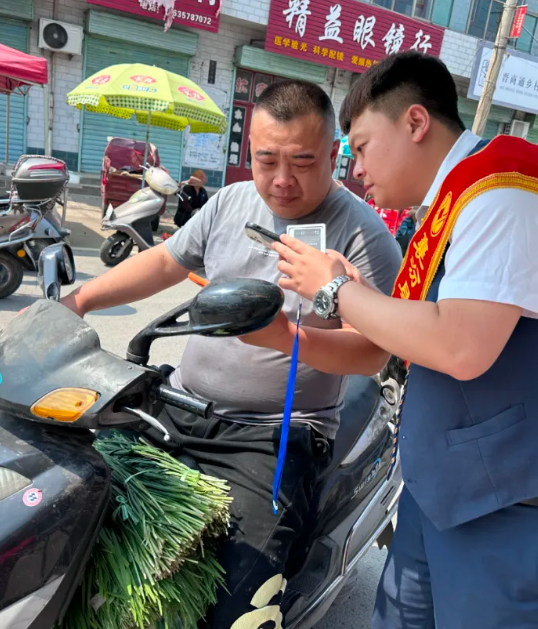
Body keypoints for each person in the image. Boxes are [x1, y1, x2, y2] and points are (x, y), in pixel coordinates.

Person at [271, 52, 538, 629]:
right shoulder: (453, 205)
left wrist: (335, 293)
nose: (357, 169)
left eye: (362, 147)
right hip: (452, 492)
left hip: (516, 507)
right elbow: (419, 333)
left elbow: (460, 346)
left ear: (416, 123)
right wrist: (346, 291)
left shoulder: (506, 185)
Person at [55, 80, 402, 628]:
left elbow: (369, 355)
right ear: (249, 153)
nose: (282, 180)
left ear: (334, 156)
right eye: (267, 160)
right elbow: (168, 261)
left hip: (275, 437)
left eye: (303, 162)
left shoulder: (364, 236)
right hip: (178, 407)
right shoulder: (231, 202)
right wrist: (79, 300)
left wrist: (285, 338)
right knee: (69, 521)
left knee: (238, 602)